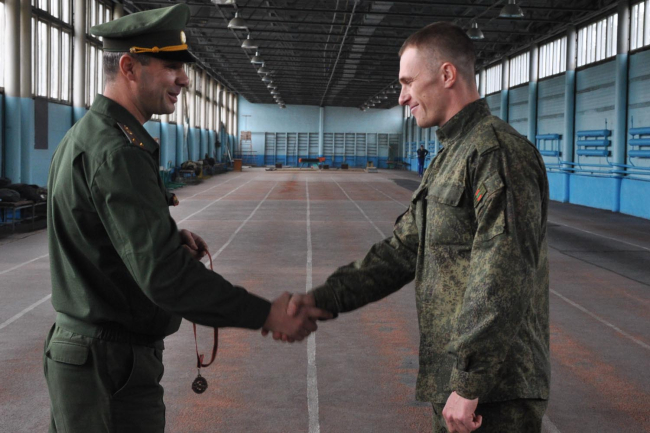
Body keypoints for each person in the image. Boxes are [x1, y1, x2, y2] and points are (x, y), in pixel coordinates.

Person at [44, 5, 330, 433]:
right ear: (129, 67)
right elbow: (165, 277)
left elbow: (98, 234)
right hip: (109, 367)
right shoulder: (119, 152)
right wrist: (266, 314)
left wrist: (165, 236)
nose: (184, 79)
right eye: (171, 66)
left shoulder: (90, 135)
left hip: (95, 361)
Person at [278, 22, 550, 433]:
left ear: (447, 74)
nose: (402, 96)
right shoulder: (449, 157)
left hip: (493, 393)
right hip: (458, 384)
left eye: (408, 82)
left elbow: (503, 273)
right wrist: (325, 297)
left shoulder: (496, 154)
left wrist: (470, 380)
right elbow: (402, 250)